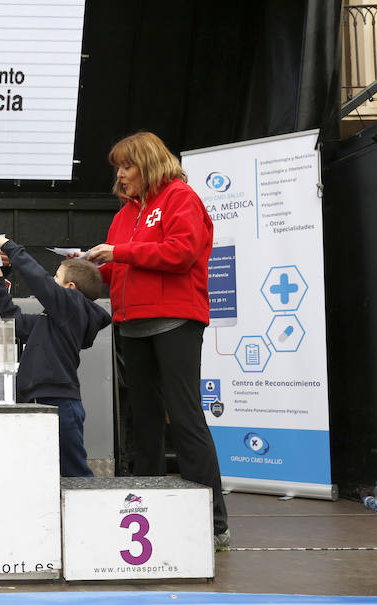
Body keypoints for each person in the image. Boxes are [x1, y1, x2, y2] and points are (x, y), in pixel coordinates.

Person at [84, 131, 230, 549]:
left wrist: (119, 253)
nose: (121, 175)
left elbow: (181, 252)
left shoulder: (180, 197)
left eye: (126, 166)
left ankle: (214, 522)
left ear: (147, 162)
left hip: (175, 323)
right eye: (118, 168)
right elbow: (112, 273)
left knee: (184, 419)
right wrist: (81, 268)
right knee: (143, 423)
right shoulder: (125, 214)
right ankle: (147, 510)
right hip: (131, 324)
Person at [0, 235, 111, 476]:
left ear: (71, 289)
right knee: (40, 472)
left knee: (74, 472)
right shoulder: (54, 319)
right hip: (37, 399)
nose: (51, 282)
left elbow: (39, 281)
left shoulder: (72, 306)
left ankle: (86, 509)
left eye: (57, 279)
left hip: (59, 402)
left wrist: (9, 246)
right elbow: (16, 323)